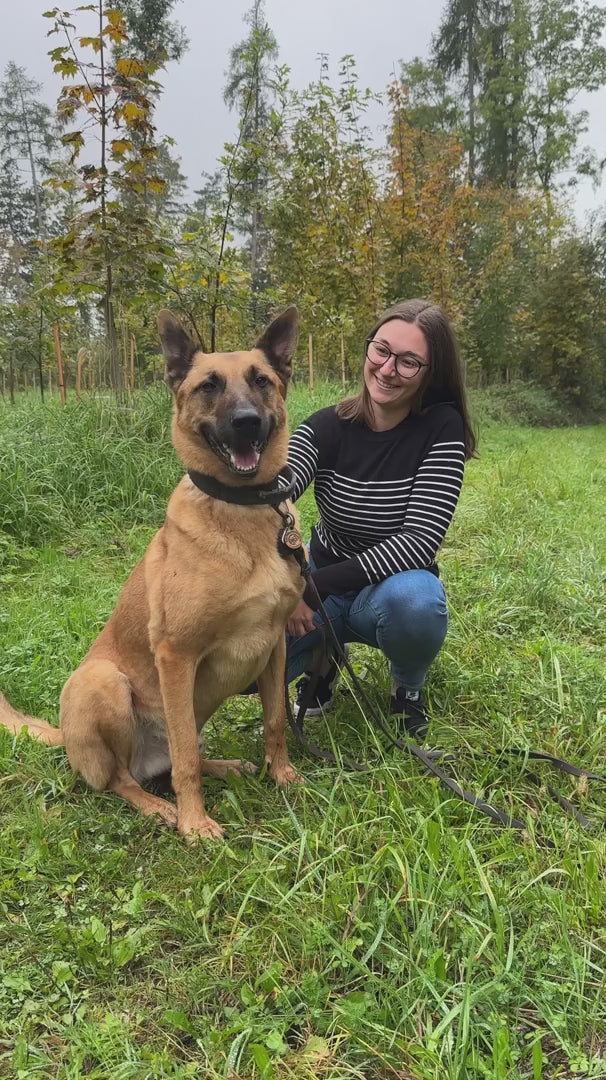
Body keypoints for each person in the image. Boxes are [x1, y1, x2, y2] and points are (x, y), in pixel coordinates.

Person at [285, 298, 476, 739]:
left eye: (409, 362)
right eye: (381, 350)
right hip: (322, 576)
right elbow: (276, 492)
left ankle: (407, 689)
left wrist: (311, 591)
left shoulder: (440, 429)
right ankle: (322, 658)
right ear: (368, 350)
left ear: (432, 373)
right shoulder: (326, 426)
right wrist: (288, 579)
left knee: (416, 604)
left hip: (388, 588)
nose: (388, 369)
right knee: (241, 666)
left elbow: (418, 541)